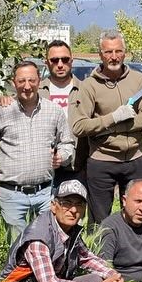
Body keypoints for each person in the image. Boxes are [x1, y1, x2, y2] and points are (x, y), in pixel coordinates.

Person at [69, 31, 142, 224]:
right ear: (100, 55)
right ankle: (99, 254)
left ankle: (134, 253)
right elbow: (79, 126)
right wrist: (112, 118)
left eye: (118, 51)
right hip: (101, 161)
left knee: (137, 216)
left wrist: (113, 127)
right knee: (100, 221)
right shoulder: (89, 86)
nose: (114, 56)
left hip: (135, 159)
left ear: (125, 53)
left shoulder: (138, 79)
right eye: (108, 52)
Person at [0, 60, 76, 244]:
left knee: (48, 243)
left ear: (39, 81)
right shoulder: (1, 112)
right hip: (12, 193)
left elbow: (67, 143)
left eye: (31, 80)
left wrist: (62, 156)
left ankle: (47, 274)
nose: (27, 86)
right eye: (21, 81)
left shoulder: (54, 111)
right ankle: (19, 274)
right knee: (17, 248)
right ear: (14, 83)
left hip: (45, 193)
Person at [40, 40, 85, 187]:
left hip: (78, 164)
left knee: (74, 210)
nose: (60, 64)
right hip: (44, 166)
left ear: (72, 60)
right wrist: (3, 100)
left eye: (65, 59)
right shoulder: (37, 91)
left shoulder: (85, 90)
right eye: (54, 60)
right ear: (47, 62)